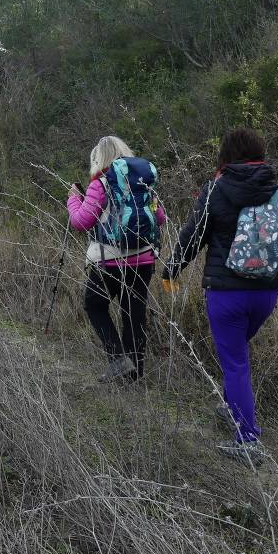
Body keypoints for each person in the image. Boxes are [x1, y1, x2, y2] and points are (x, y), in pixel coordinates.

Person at [161, 127, 278, 464]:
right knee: (237, 356)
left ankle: (248, 441)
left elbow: (192, 237)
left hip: (226, 295)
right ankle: (232, 409)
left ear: (225, 155)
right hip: (266, 294)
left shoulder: (215, 191)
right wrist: (267, 263)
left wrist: (171, 269)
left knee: (236, 363)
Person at [67, 136, 166, 384]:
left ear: (100, 157)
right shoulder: (144, 180)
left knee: (95, 306)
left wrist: (73, 199)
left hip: (109, 261)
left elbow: (81, 222)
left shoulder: (101, 183)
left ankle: (118, 359)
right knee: (134, 314)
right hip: (143, 259)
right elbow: (161, 217)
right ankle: (135, 374)